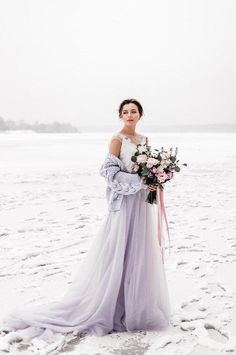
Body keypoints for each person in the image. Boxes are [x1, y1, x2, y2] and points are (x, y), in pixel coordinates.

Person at [0, 98, 171, 352]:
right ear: (120, 115)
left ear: (140, 114)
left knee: (139, 251)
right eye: (125, 111)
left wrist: (156, 176)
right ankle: (108, 304)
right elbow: (109, 174)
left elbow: (148, 168)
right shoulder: (117, 139)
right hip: (123, 204)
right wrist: (138, 180)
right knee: (118, 250)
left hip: (140, 205)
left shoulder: (144, 140)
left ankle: (135, 305)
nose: (130, 115)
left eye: (134, 111)